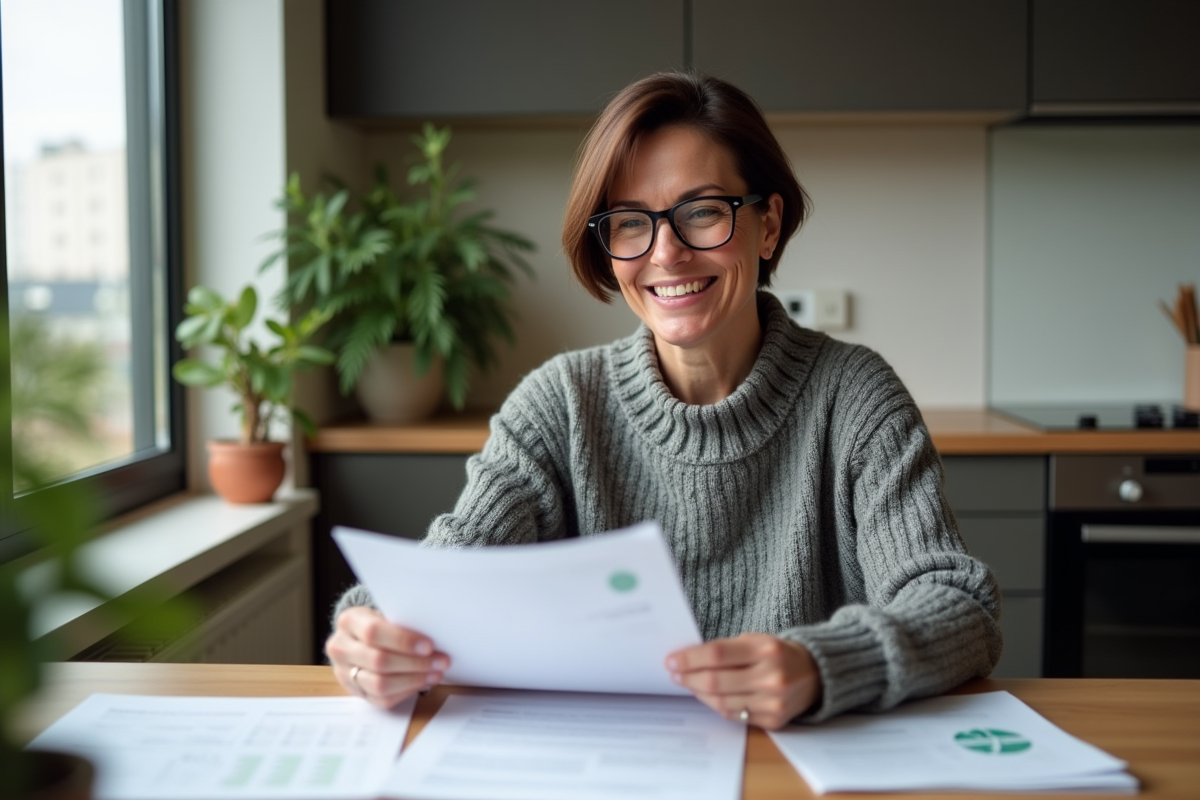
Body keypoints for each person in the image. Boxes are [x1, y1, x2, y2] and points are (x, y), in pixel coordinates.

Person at [325, 71, 1002, 729]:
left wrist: (823, 665)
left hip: (798, 761)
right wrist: (372, 632)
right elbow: (445, 577)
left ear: (767, 225)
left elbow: (957, 605)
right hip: (612, 762)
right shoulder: (560, 404)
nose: (666, 253)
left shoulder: (855, 397)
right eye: (630, 222)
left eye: (702, 212)